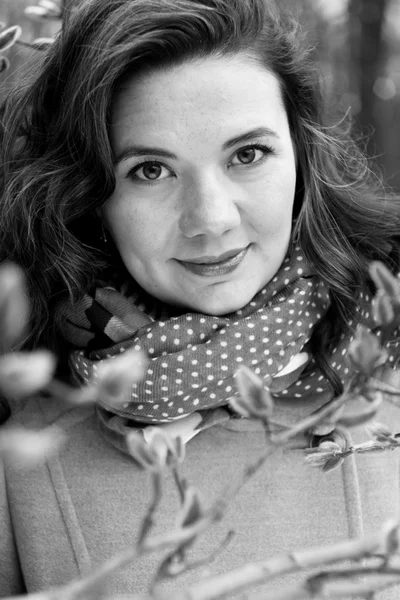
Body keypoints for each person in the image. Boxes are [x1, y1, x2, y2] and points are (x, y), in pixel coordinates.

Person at [0, 0, 400, 597]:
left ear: (303, 159)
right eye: (150, 171)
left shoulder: (382, 367)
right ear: (89, 195)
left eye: (247, 155)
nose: (209, 220)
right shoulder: (22, 450)